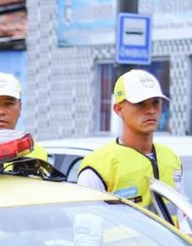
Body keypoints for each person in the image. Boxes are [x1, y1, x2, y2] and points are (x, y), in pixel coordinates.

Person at [76, 69, 182, 224]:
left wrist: (189, 237)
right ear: (118, 109)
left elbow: (180, 216)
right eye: (140, 104)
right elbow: (87, 238)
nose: (151, 110)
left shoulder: (171, 158)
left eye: (156, 103)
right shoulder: (98, 167)